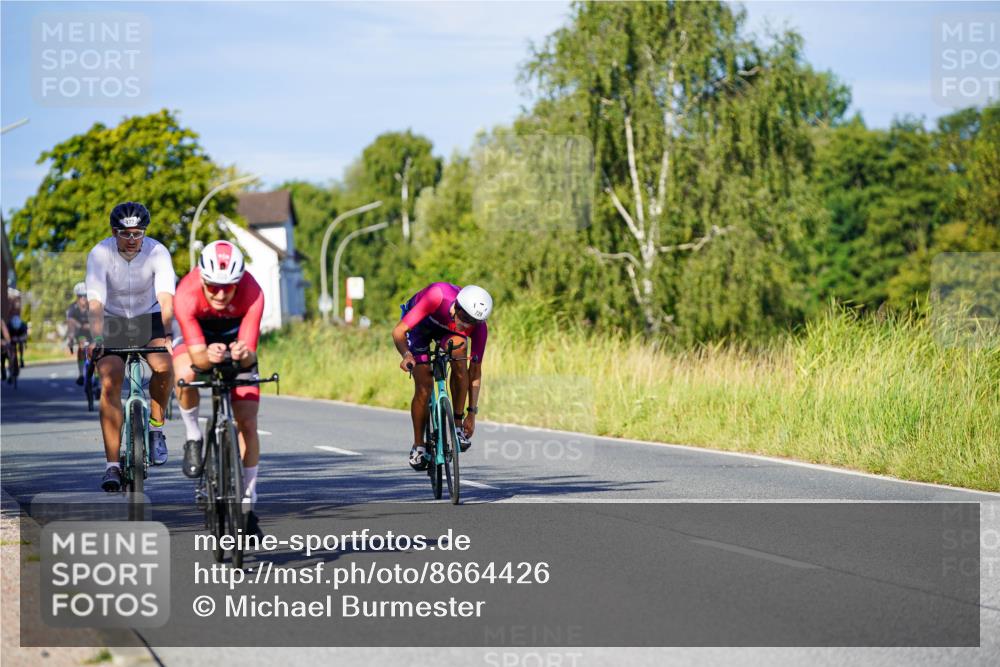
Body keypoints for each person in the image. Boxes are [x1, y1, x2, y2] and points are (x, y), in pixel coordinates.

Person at [172, 240, 265, 535]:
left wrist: (242, 354)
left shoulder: (254, 292)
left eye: (229, 286)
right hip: (197, 341)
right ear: (202, 278)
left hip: (235, 339)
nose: (221, 293)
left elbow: (250, 352)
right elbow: (197, 355)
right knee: (185, 372)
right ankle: (193, 435)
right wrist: (207, 357)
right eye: (213, 286)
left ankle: (248, 498)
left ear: (240, 281)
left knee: (248, 421)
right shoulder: (186, 293)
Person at [86, 202, 176, 492]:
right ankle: (112, 465)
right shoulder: (100, 254)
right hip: (112, 321)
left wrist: (170, 335)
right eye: (125, 234)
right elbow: (96, 302)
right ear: (114, 232)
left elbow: (165, 297)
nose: (132, 240)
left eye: (138, 234)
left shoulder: (157, 252)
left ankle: (156, 426)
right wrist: (98, 340)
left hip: (148, 318)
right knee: (110, 380)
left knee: (164, 366)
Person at [391, 283, 492, 470]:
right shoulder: (437, 296)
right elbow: (398, 332)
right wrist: (407, 356)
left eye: (473, 322)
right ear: (457, 306)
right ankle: (418, 445)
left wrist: (472, 413)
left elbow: (475, 371)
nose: (466, 325)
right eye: (464, 318)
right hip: (420, 327)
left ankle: (457, 426)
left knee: (460, 353)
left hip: (447, 333)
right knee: (424, 385)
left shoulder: (479, 328)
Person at [65, 282, 92, 385]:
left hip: (92, 332)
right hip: (81, 333)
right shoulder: (72, 308)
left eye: (86, 296)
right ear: (77, 297)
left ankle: (98, 380)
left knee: (96, 352)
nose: (84, 298)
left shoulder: (92, 306)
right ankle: (81, 374)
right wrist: (70, 340)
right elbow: (70, 325)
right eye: (81, 296)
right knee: (81, 346)